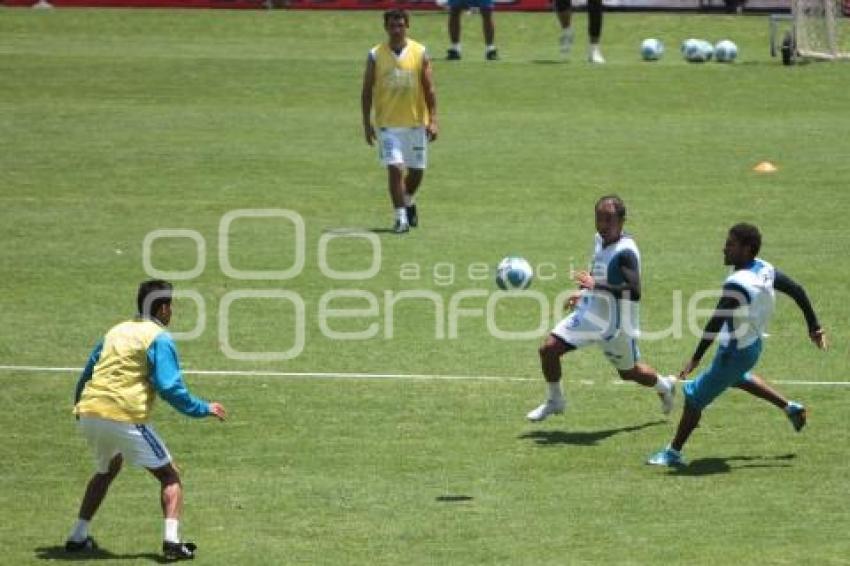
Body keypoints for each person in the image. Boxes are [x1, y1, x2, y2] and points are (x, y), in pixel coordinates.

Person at [66, 280, 227, 560]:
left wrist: (81, 405)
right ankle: (173, 543)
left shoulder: (115, 331)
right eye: (171, 306)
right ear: (164, 308)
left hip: (89, 411)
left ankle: (78, 536)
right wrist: (203, 408)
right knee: (170, 475)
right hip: (124, 416)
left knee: (107, 470)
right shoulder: (158, 337)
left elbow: (87, 372)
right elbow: (169, 387)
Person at [647, 223, 828, 467]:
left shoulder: (739, 283)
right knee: (739, 378)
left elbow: (716, 319)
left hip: (734, 352)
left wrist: (696, 357)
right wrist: (814, 327)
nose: (724, 249)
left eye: (731, 244)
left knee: (694, 397)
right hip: (751, 347)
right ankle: (790, 408)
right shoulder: (763, 268)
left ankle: (673, 453)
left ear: (747, 249)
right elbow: (797, 290)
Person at [527, 195, 676, 423]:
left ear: (622, 221)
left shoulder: (626, 252)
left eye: (609, 220)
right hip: (589, 315)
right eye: (599, 219)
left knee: (629, 373)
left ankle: (664, 386)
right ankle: (555, 400)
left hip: (614, 326)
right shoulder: (599, 239)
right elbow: (596, 270)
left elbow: (634, 291)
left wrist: (596, 286)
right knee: (548, 350)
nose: (603, 225)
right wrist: (583, 292)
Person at [361, 9, 439, 234]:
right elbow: (367, 91)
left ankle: (407, 199)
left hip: (415, 122)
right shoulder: (375, 55)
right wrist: (367, 123)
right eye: (392, 25)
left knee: (416, 172)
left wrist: (433, 119)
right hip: (388, 125)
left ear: (407, 26)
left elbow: (429, 89)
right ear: (386, 27)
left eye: (400, 25)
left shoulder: (420, 52)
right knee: (395, 169)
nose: (396, 30)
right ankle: (400, 218)